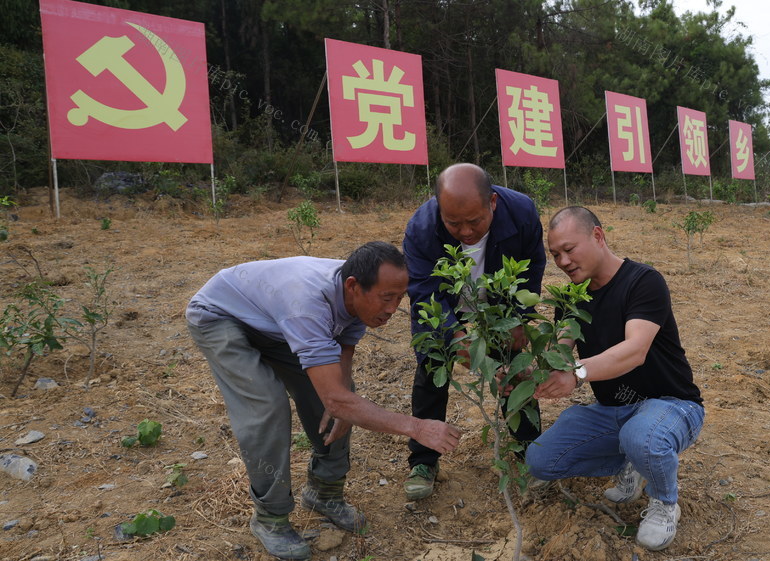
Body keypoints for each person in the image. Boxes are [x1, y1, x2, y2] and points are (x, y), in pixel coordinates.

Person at [186, 242, 461, 560]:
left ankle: (324, 493)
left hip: (272, 321)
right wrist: (416, 426)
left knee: (342, 396)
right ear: (353, 287)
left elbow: (344, 350)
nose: (392, 309)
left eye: (400, 298)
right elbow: (336, 395)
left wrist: (341, 401)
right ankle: (270, 518)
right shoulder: (308, 303)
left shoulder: (359, 294)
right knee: (268, 408)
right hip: (220, 316)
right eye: (387, 299)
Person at [526, 206, 704, 551]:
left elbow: (634, 350)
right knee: (541, 460)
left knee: (644, 436)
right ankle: (633, 461)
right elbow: (558, 355)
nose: (562, 261)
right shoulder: (571, 298)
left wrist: (577, 375)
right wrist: (524, 373)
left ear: (597, 236)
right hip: (615, 408)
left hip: (672, 404)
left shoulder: (642, 281)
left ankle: (664, 502)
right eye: (555, 255)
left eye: (569, 249)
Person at [403, 163, 546, 500]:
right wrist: (460, 344)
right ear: (440, 208)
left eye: (475, 222)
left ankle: (529, 452)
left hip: (499, 300)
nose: (466, 232)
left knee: (513, 369)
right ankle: (423, 460)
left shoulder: (522, 213)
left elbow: (532, 268)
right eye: (453, 223)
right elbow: (426, 298)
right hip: (446, 304)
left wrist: (520, 319)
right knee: (432, 368)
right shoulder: (421, 230)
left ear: (492, 203)